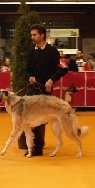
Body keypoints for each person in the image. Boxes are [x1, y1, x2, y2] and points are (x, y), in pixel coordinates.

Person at [22, 23, 68, 156]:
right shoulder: (32, 51)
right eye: (31, 35)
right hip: (32, 90)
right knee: (28, 117)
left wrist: (52, 79)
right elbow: (26, 69)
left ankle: (37, 148)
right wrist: (29, 76)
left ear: (42, 35)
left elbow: (64, 68)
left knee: (41, 119)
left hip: (44, 91)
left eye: (34, 35)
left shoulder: (52, 51)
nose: (32, 37)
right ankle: (32, 146)